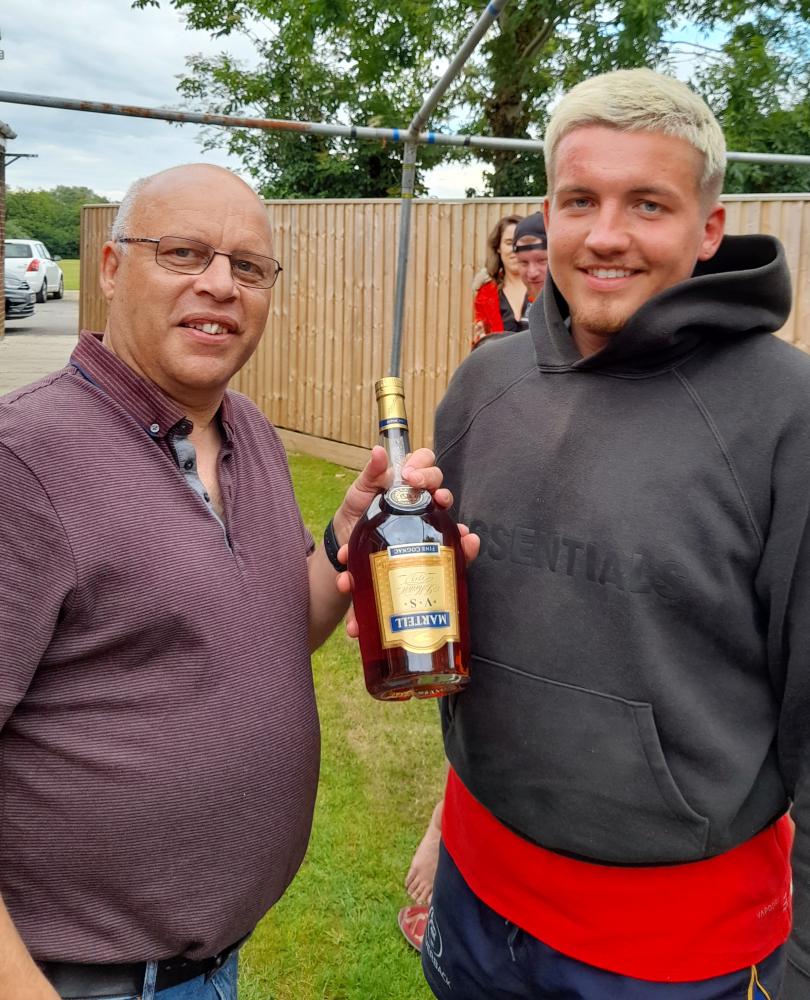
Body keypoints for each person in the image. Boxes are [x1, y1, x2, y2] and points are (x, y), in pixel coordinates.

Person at [0, 163, 471, 1000]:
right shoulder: (24, 461)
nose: (220, 285)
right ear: (111, 270)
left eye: (248, 267)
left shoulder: (246, 428)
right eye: (184, 252)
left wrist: (352, 545)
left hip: (210, 968)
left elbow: (278, 623)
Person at [421, 67, 810, 999]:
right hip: (477, 897)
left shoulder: (786, 416)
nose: (605, 235)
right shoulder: (485, 386)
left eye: (648, 204)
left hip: (676, 950)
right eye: (579, 200)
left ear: (708, 228)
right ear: (544, 215)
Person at [471, 213, 531, 349]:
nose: (515, 249)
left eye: (521, 242)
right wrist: (479, 341)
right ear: (498, 247)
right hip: (501, 366)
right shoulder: (485, 293)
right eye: (509, 243)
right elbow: (480, 346)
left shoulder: (544, 288)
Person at [512, 210, 549, 302]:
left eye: (542, 260)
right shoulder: (528, 307)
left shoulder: (581, 309)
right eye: (524, 263)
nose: (532, 273)